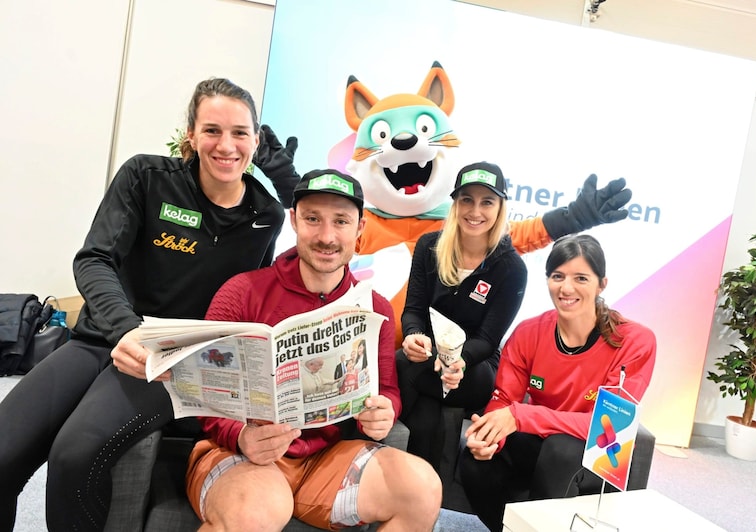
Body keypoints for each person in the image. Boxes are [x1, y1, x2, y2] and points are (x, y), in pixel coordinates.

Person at [0, 77, 301, 531]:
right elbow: (95, 259)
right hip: (103, 339)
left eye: (240, 132)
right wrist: (125, 329)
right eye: (212, 130)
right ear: (191, 135)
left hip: (175, 362)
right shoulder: (147, 177)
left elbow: (305, 245)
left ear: (256, 141)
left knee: (75, 453)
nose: (226, 145)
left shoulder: (265, 216)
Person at [185, 168, 441, 531]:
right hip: (240, 453)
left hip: (324, 460)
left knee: (423, 487)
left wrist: (386, 411)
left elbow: (386, 390)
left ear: (360, 230)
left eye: (340, 221)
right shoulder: (241, 292)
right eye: (312, 219)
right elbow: (203, 393)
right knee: (252, 513)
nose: (326, 236)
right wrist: (241, 436)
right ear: (293, 221)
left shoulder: (377, 309)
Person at [459, 234, 657, 532]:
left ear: (602, 284)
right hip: (541, 443)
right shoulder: (528, 333)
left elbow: (610, 428)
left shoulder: (635, 341)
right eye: (558, 276)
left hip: (597, 455)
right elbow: (503, 398)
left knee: (560, 449)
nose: (566, 288)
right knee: (474, 461)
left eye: (581, 278)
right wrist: (490, 437)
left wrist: (522, 415)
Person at [395, 161, 528, 468]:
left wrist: (459, 361)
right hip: (427, 356)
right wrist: (414, 336)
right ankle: (423, 496)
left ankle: (370, 444)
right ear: (454, 204)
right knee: (425, 413)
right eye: (466, 199)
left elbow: (487, 339)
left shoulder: (511, 268)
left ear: (501, 207)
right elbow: (413, 310)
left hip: (475, 365)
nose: (475, 211)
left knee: (404, 367)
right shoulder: (430, 246)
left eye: (487, 202)